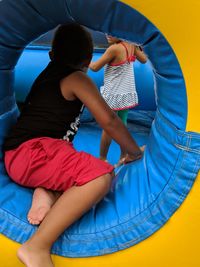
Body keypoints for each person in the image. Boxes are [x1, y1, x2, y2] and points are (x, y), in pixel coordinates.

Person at [3, 23, 143, 267]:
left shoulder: (48, 72)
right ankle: (37, 246)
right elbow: (109, 119)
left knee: (73, 163)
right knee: (99, 175)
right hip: (33, 154)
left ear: (50, 55)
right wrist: (132, 151)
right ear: (88, 59)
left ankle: (46, 191)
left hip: (22, 156)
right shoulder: (76, 77)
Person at [89, 35, 147, 167]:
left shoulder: (114, 49)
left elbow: (95, 67)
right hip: (125, 93)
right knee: (122, 123)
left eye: (111, 32)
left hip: (114, 94)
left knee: (108, 127)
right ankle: (124, 156)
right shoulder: (131, 45)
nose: (107, 35)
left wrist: (84, 61)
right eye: (106, 32)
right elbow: (144, 60)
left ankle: (103, 158)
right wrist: (138, 45)